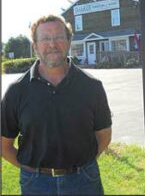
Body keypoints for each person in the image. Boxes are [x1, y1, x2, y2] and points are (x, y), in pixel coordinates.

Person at [1, 14, 112, 195]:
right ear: (35, 45)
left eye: (59, 37)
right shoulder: (16, 91)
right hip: (36, 185)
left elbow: (104, 136)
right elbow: (4, 146)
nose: (52, 44)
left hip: (84, 182)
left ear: (68, 41)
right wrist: (32, 171)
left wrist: (80, 167)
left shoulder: (92, 86)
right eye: (45, 38)